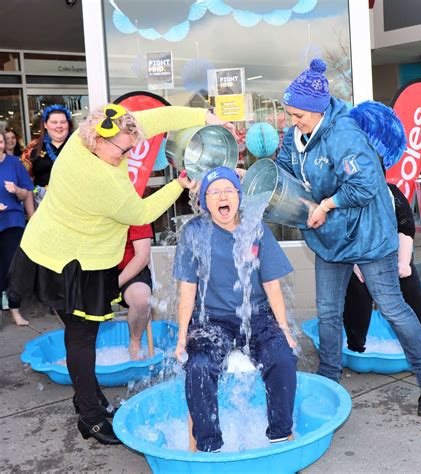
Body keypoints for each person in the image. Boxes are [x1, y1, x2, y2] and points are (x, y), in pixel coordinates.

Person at [8, 102, 233, 444]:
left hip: (60, 248)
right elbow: (139, 211)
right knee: (82, 337)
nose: (128, 153)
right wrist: (180, 184)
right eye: (124, 149)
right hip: (69, 261)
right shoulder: (97, 179)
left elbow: (158, 118)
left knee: (78, 333)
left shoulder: (98, 134)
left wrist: (206, 118)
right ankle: (91, 417)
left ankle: (88, 397)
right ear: (97, 141)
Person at [276, 58, 421, 417]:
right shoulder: (296, 135)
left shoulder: (343, 134)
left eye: (298, 115)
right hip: (330, 237)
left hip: (369, 232)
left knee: (393, 307)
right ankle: (330, 380)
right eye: (290, 114)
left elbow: (366, 185)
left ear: (317, 110)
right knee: (329, 311)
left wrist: (327, 204)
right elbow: (286, 167)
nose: (293, 121)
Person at [174, 166, 297, 453]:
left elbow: (272, 283)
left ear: (239, 197)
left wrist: (285, 330)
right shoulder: (195, 233)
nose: (222, 196)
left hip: (257, 315)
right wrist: (182, 336)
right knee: (199, 365)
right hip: (211, 320)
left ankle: (279, 436)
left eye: (229, 190)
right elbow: (187, 289)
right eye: (214, 192)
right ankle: (209, 445)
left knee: (282, 357)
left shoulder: (254, 228)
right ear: (205, 201)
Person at [341, 101, 421, 352]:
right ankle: (356, 344)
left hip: (392, 254)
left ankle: (416, 343)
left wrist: (402, 262)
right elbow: (341, 235)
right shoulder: (347, 196)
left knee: (410, 283)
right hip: (359, 258)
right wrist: (356, 265)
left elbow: (406, 227)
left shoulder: (391, 193)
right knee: (357, 289)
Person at [0, 130, 33, 326]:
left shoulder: (14, 163)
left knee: (14, 269)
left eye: (1, 141)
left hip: (12, 221)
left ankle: (15, 311)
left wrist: (16, 190)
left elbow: (25, 193)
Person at [20, 104, 73, 215]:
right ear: (45, 125)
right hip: (43, 207)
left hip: (74, 205)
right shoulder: (32, 148)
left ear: (68, 124)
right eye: (54, 122)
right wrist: (31, 215)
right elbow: (27, 182)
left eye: (63, 122)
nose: (59, 126)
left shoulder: (80, 146)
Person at [118, 223, 154, 360]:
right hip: (98, 269)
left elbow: (143, 256)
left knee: (141, 298)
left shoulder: (135, 206)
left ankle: (135, 343)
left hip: (131, 269)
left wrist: (113, 285)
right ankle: (79, 349)